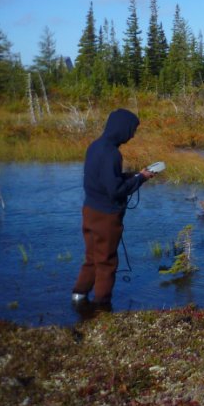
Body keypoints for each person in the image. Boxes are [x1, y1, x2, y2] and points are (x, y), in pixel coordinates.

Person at [72, 108, 154, 307]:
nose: (133, 134)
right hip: (106, 216)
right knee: (106, 261)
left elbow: (103, 179)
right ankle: (101, 306)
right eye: (132, 129)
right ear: (121, 128)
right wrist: (141, 179)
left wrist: (133, 175)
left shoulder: (96, 146)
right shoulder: (111, 153)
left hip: (89, 210)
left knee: (92, 256)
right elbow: (116, 190)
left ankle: (79, 297)